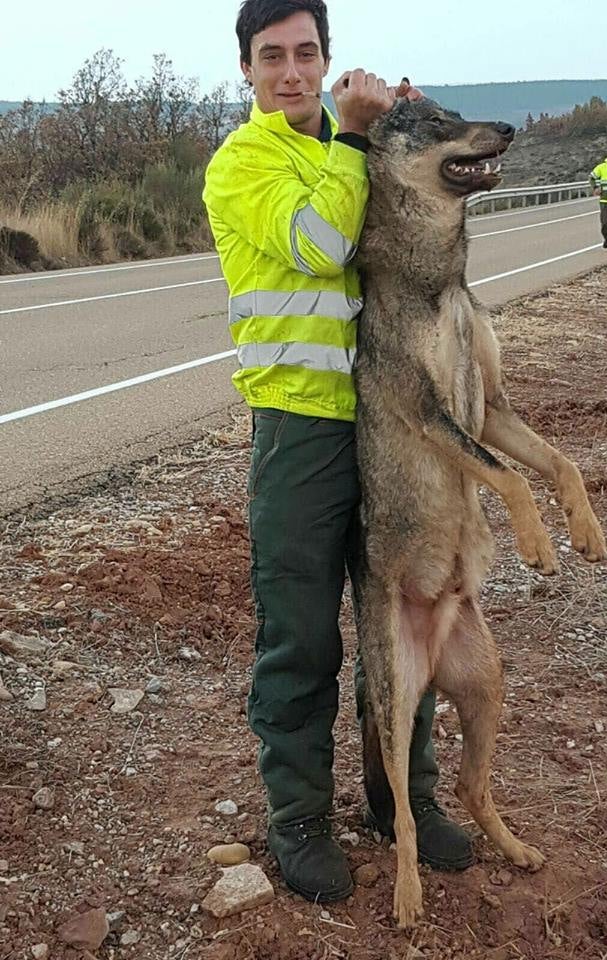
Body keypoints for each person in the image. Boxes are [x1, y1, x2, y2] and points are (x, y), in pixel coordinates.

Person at [202, 0, 474, 905]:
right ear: (244, 69)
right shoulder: (243, 161)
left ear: (327, 59)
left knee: (402, 615)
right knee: (304, 637)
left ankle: (404, 800)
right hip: (298, 432)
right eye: (271, 56)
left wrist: (410, 135)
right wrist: (359, 142)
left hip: (385, 421)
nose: (291, 71)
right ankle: (300, 821)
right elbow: (321, 246)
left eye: (306, 52)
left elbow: (412, 235)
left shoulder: (348, 146)